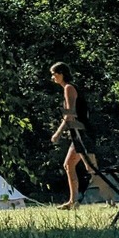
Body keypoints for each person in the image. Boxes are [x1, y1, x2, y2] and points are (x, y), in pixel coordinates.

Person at [49, 61, 98, 209]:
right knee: (69, 165)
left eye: (54, 74)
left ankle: (111, 199)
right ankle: (72, 202)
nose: (52, 77)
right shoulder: (69, 88)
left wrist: (57, 133)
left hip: (82, 133)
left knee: (92, 169)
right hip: (77, 132)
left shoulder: (69, 88)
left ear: (61, 74)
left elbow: (69, 115)